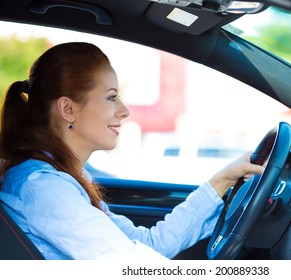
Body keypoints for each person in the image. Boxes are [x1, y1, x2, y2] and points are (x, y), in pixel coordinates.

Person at [0, 42, 263, 260]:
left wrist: (223, 180)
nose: (124, 111)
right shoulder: (44, 188)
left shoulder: (63, 177)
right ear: (68, 109)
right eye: (111, 97)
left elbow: (148, 245)